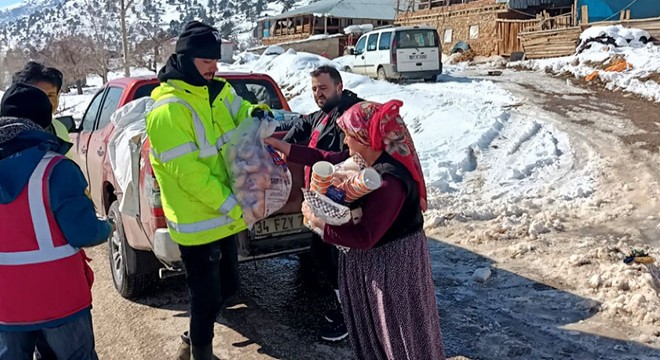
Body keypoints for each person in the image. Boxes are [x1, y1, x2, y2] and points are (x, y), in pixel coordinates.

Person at [265, 100, 445, 360]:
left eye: (349, 135)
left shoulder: (389, 180)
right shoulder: (365, 162)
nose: (346, 142)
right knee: (377, 332)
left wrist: (321, 225)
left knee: (394, 331)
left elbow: (365, 237)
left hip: (390, 269)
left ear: (366, 136)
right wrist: (284, 147)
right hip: (376, 267)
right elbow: (324, 157)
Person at [146, 20, 269, 360]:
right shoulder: (169, 110)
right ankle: (199, 352)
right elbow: (190, 175)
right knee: (205, 293)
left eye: (216, 61)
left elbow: (240, 111)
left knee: (228, 287)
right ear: (186, 59)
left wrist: (255, 111)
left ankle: (191, 338)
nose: (214, 68)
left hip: (227, 213)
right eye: (206, 62)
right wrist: (233, 205)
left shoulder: (218, 89)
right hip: (198, 221)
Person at [0, 95, 112, 359]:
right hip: (60, 297)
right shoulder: (55, 169)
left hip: (6, 303)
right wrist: (108, 227)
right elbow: (85, 232)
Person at [283, 65, 362, 341]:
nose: (318, 93)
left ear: (339, 87)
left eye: (323, 88)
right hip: (322, 202)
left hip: (343, 203)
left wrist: (294, 151)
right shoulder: (323, 115)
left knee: (340, 262)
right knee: (322, 256)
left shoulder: (351, 116)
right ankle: (348, 309)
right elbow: (301, 125)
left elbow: (343, 158)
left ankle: (352, 318)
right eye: (314, 88)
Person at [10, 61, 71, 157]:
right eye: (37, 95)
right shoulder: (7, 131)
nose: (45, 101)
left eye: (50, 95)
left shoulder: (59, 128)